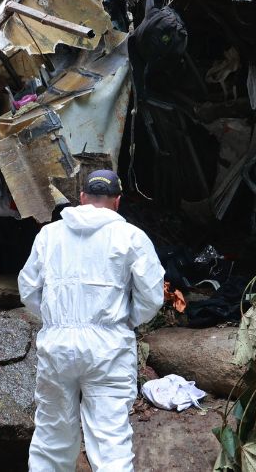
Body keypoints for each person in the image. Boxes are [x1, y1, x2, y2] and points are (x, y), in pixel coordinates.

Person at [18, 169, 165, 471]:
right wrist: (126, 321)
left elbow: (28, 289)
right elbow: (151, 297)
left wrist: (54, 321)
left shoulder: (50, 235)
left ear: (82, 197)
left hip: (57, 346)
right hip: (108, 348)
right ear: (117, 201)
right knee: (110, 440)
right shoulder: (131, 237)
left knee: (51, 436)